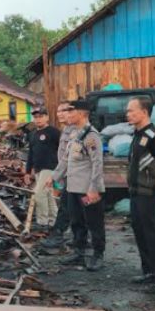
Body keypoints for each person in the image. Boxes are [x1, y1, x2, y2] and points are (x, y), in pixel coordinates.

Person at [50, 100, 106, 271]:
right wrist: (55, 177)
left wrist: (93, 188)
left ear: (81, 114)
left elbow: (97, 164)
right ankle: (79, 252)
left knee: (94, 223)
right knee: (76, 222)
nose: (68, 115)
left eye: (71, 112)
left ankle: (98, 255)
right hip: (73, 188)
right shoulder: (75, 134)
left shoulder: (91, 136)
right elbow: (67, 159)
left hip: (87, 190)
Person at [125, 96, 155, 292]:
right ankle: (150, 272)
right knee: (141, 234)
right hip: (137, 193)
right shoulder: (137, 135)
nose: (127, 114)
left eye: (131, 110)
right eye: (127, 111)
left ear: (144, 112)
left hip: (151, 194)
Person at [23, 106, 61, 244]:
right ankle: (54, 221)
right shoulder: (32, 134)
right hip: (38, 169)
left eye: (40, 116)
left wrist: (61, 168)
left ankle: (42, 222)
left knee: (38, 193)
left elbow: (63, 149)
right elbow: (31, 154)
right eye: (36, 117)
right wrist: (28, 171)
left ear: (47, 117)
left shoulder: (54, 132)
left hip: (50, 168)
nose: (38, 119)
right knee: (48, 195)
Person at [47, 101, 75, 247]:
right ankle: (82, 238)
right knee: (76, 209)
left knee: (66, 207)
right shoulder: (65, 130)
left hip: (74, 176)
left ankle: (58, 235)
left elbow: (70, 158)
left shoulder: (76, 131)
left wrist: (56, 176)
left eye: (64, 110)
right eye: (58, 111)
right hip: (66, 176)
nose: (60, 114)